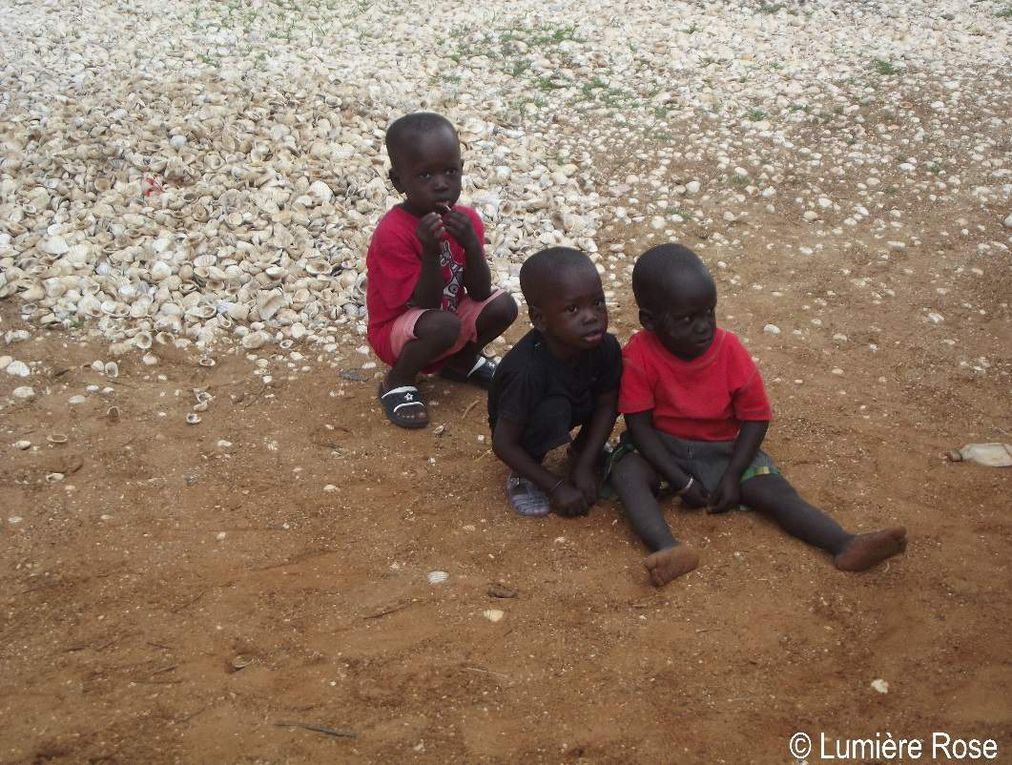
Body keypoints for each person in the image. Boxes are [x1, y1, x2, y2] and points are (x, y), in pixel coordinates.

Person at [609, 243, 907, 586]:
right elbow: (640, 427)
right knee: (628, 474)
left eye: (709, 312)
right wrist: (681, 480)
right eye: (687, 319)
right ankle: (669, 547)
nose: (703, 327)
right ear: (649, 320)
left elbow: (755, 416)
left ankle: (844, 542)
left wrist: (734, 475)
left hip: (724, 450)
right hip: (662, 451)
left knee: (777, 494)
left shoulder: (729, 350)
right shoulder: (638, 354)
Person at [366, 112, 518, 429]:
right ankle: (398, 379)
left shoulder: (465, 220)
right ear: (398, 181)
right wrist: (431, 253)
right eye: (424, 176)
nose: (441, 185)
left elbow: (479, 292)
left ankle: (459, 361)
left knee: (503, 306)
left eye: (450, 172)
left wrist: (472, 247)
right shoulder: (393, 232)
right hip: (396, 329)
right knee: (444, 325)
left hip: (442, 316)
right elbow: (424, 304)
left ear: (462, 170)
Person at [489, 247, 621, 517]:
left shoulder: (605, 347)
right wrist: (556, 486)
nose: (591, 316)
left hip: (573, 400)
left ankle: (583, 450)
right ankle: (524, 476)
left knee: (618, 388)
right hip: (527, 422)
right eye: (573, 309)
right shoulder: (526, 371)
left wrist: (584, 466)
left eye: (598, 303)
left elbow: (608, 404)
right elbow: (503, 443)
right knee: (552, 410)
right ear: (540, 319)